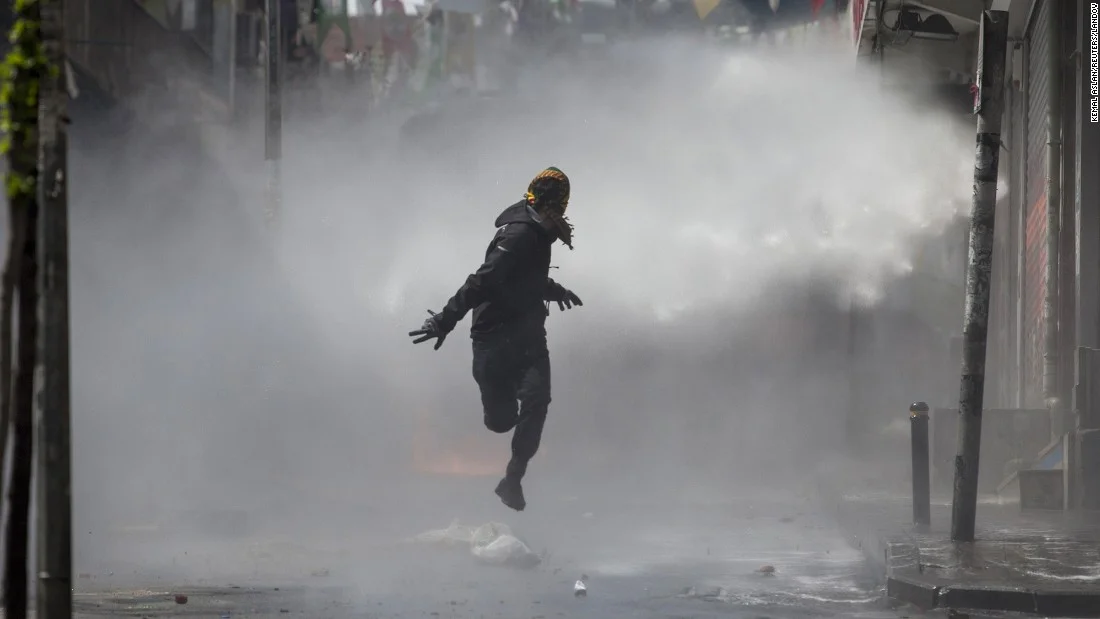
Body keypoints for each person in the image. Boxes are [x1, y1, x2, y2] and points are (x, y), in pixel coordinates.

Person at [408, 167, 583, 511]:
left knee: (537, 400)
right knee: (501, 422)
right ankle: (501, 414)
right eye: (557, 204)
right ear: (546, 203)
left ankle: (512, 480)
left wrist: (555, 290)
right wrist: (445, 320)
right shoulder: (519, 235)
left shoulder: (540, 231)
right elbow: (483, 281)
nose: (561, 212)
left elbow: (527, 278)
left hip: (529, 336)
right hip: (493, 337)